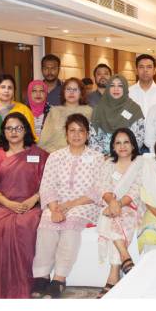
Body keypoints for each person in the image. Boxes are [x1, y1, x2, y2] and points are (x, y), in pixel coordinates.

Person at [32, 113, 105, 298]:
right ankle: (41, 276)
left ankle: (59, 278)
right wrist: (55, 208)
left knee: (71, 225)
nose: (76, 134)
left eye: (81, 130)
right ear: (66, 134)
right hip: (57, 203)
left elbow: (98, 189)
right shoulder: (56, 156)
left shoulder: (97, 158)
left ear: (88, 134)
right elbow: (47, 185)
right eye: (72, 130)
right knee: (46, 224)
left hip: (85, 204)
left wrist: (69, 205)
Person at [0, 112, 49, 298]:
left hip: (31, 205)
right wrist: (9, 204)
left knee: (27, 226)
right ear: (3, 131)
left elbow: (48, 184)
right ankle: (5, 286)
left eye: (18, 127)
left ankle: (30, 284)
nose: (14, 132)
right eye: (9, 128)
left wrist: (33, 199)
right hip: (4, 205)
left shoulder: (38, 154)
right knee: (1, 229)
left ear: (25, 129)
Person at [96, 128, 144, 298]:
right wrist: (112, 202)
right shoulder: (108, 163)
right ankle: (125, 258)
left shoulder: (140, 162)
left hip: (132, 206)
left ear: (133, 145)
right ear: (113, 146)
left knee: (110, 218)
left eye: (126, 142)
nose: (122, 146)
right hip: (111, 204)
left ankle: (112, 277)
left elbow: (137, 188)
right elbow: (103, 186)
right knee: (108, 216)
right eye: (118, 142)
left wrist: (119, 204)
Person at [89, 74, 145, 156]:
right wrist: (104, 156)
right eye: (112, 85)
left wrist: (123, 155)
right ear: (108, 88)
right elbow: (92, 137)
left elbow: (138, 138)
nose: (116, 89)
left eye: (120, 86)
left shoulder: (134, 108)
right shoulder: (98, 109)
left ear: (125, 88)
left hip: (127, 158)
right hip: (103, 159)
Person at [39, 77, 94, 153]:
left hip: (81, 156)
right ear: (63, 92)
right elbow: (44, 138)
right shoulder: (54, 111)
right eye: (68, 89)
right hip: (56, 155)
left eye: (75, 90)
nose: (71, 92)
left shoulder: (89, 111)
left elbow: (92, 138)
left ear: (81, 93)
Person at [0, 73, 36, 138]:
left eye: (10, 88)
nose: (6, 90)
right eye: (3, 87)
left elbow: (31, 135)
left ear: (14, 91)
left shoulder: (23, 110)